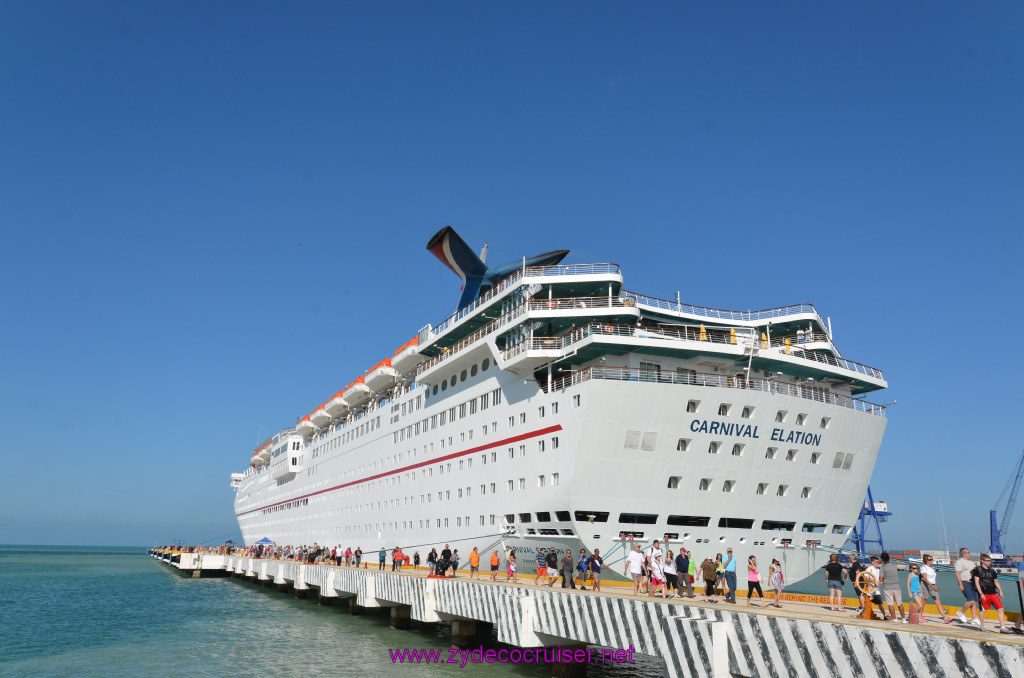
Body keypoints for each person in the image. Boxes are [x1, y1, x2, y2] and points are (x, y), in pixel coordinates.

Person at [973, 553, 1012, 633]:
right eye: (987, 561)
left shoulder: (992, 571)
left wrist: (1000, 591)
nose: (989, 562)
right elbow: (977, 582)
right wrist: (981, 593)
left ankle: (1002, 627)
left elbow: (996, 581)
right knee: (982, 610)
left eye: (990, 561)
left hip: (993, 593)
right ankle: (982, 626)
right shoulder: (977, 570)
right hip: (984, 593)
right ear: (982, 561)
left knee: (1000, 609)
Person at [919, 554, 951, 623]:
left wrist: (933, 586)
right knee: (924, 601)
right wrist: (933, 587)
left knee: (938, 601)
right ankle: (920, 616)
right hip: (925, 584)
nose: (931, 561)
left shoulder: (932, 568)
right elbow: (925, 578)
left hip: (932, 585)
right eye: (929, 560)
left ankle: (945, 618)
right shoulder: (924, 568)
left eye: (932, 559)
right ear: (925, 560)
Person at [955, 548, 981, 626]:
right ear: (964, 554)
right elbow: (957, 573)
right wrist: (960, 584)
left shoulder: (971, 562)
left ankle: (974, 618)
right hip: (965, 582)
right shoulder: (959, 562)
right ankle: (961, 612)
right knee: (971, 600)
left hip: (972, 583)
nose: (970, 554)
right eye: (968, 553)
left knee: (975, 602)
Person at [879, 552, 906, 623]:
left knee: (890, 604)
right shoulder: (894, 565)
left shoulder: (882, 567)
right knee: (899, 603)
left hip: (887, 587)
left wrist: (881, 581)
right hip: (897, 586)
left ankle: (894, 619)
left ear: (882, 559)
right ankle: (904, 619)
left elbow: (881, 578)